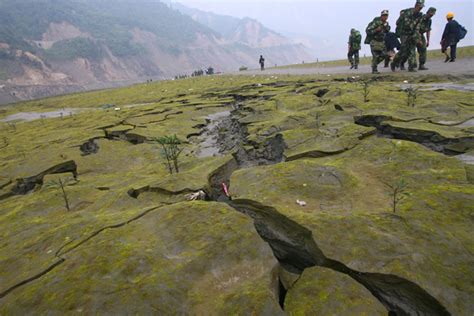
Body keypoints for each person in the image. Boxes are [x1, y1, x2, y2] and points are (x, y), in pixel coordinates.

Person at [391, 0, 424, 72]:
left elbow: (417, 27)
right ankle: (394, 63)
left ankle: (411, 66)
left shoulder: (420, 15)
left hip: (412, 34)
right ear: (416, 6)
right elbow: (402, 23)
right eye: (419, 7)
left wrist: (418, 38)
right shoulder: (407, 13)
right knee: (403, 51)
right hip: (404, 34)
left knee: (412, 49)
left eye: (421, 8)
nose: (420, 9)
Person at [366, 10, 391, 74]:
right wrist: (376, 30)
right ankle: (374, 70)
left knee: (384, 55)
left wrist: (386, 28)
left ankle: (374, 64)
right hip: (374, 41)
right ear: (381, 16)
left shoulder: (386, 23)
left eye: (386, 16)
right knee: (375, 55)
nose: (385, 17)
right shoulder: (376, 22)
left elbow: (387, 31)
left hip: (381, 41)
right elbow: (368, 31)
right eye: (384, 15)